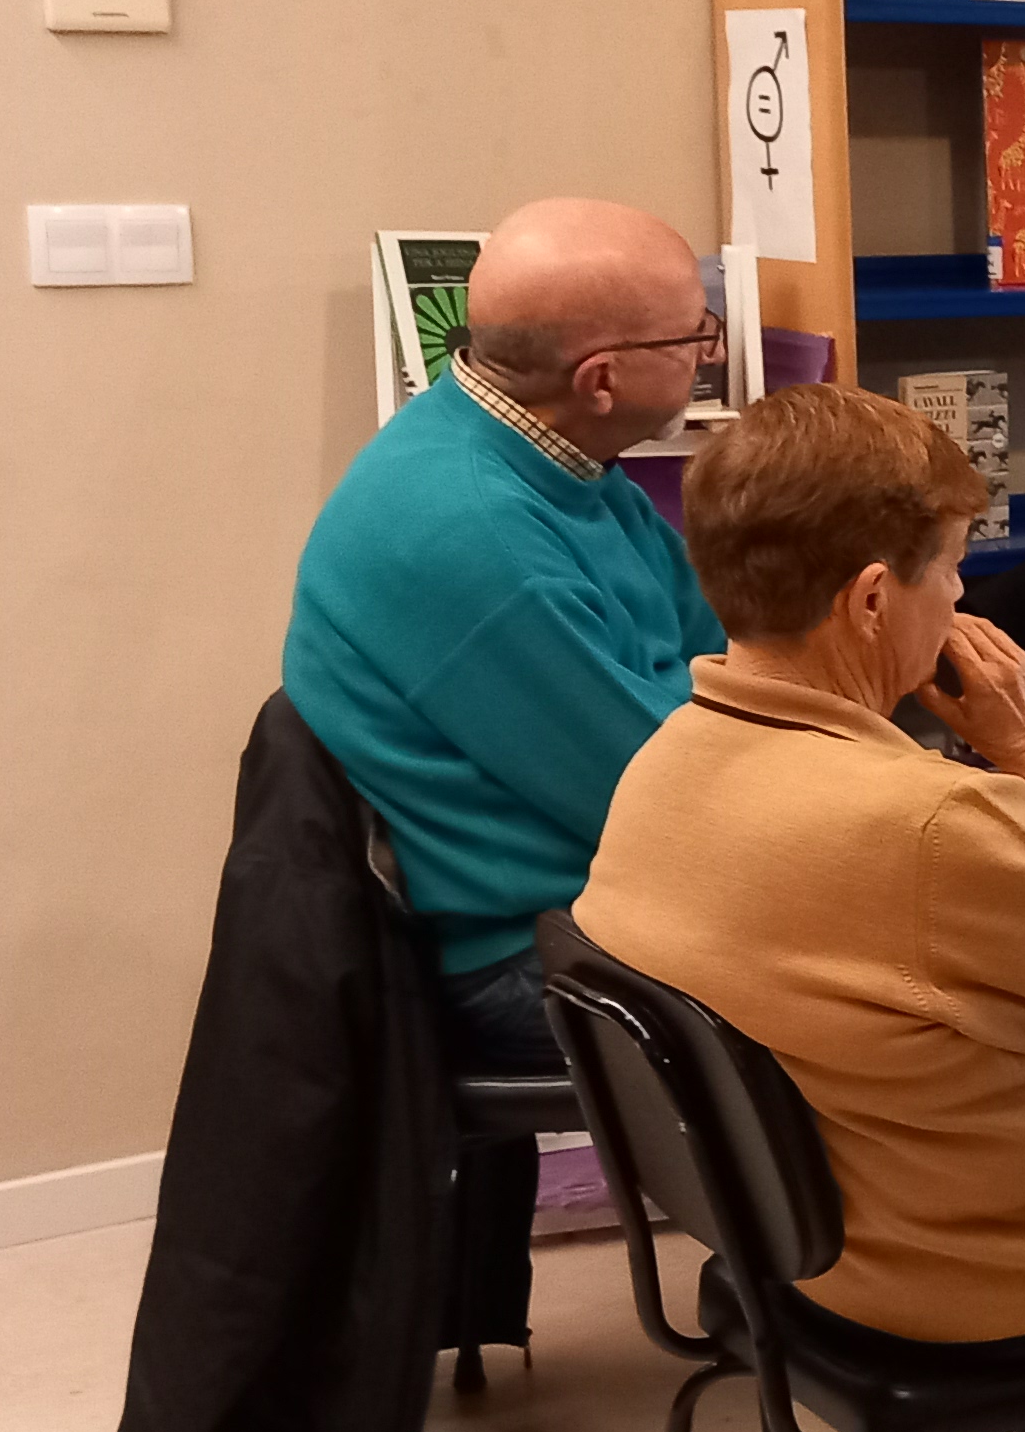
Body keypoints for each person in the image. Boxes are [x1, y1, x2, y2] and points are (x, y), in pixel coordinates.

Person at [575, 385, 1025, 1350]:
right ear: (873, 599)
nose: (961, 596)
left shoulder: (664, 758)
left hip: (810, 1252)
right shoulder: (930, 821)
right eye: (953, 568)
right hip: (1018, 1268)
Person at [282, 197, 728, 1076]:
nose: (705, 352)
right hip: (530, 952)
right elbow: (662, 798)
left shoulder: (553, 456)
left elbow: (725, 648)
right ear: (602, 378)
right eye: (693, 337)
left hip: (594, 890)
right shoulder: (474, 528)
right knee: (899, 1011)